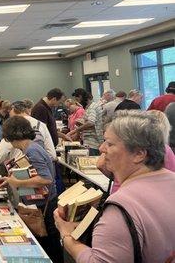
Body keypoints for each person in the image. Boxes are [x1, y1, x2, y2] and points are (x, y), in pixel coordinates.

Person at [54, 110, 175, 263]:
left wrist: (67, 237)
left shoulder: (121, 206)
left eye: (110, 144)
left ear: (139, 154)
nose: (102, 148)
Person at [0, 116, 62, 263]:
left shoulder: (32, 150)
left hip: (45, 204)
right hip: (42, 202)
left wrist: (17, 182)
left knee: (49, 245)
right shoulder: (30, 147)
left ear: (11, 135)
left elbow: (46, 179)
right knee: (47, 243)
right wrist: (10, 180)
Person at [0, 101, 56, 169]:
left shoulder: (13, 125)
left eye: (10, 115)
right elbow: (51, 153)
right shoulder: (41, 125)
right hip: (41, 169)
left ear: (14, 111)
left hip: (21, 170)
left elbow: (3, 149)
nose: (10, 118)